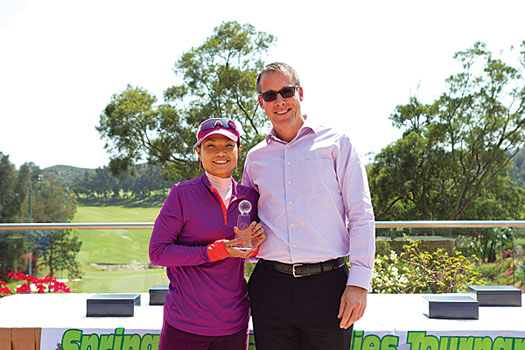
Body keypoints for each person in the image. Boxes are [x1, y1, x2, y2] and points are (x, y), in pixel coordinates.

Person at [242, 62, 376, 350]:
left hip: (328, 289)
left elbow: (362, 216)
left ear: (300, 92)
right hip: (269, 288)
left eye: (286, 91)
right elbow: (246, 221)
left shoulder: (337, 143)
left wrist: (359, 283)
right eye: (270, 95)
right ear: (261, 103)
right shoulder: (255, 159)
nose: (279, 101)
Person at [149, 118, 266, 350]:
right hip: (184, 324)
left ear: (238, 150)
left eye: (228, 145)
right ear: (198, 153)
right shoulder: (182, 194)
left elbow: (250, 254)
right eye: (210, 145)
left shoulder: (250, 197)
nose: (220, 152)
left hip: (233, 324)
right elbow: (158, 253)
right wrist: (216, 250)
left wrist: (254, 247)